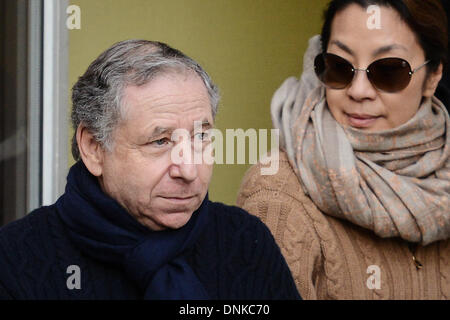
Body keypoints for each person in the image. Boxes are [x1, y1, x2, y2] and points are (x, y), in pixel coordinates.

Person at [0, 40, 300, 300]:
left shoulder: (244, 241)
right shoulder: (15, 260)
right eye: (160, 141)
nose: (189, 169)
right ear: (93, 147)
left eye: (201, 137)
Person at [238, 0, 450, 299]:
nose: (358, 91)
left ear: (433, 77)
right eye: (340, 66)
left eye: (389, 69)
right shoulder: (276, 195)